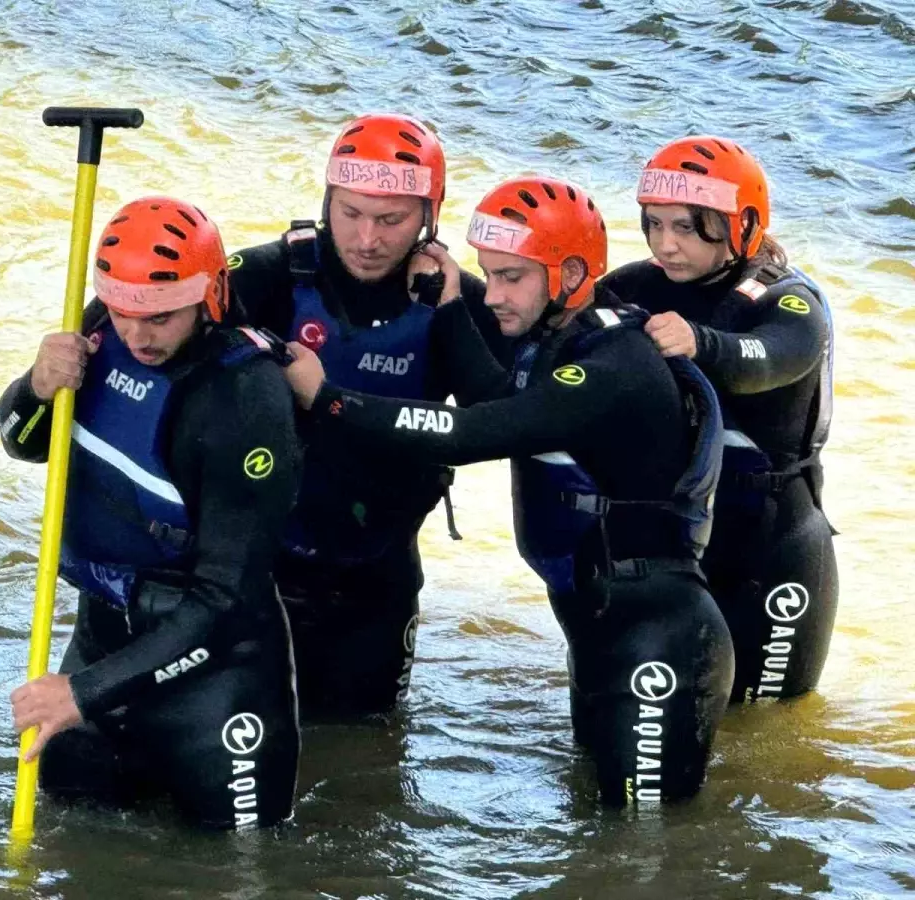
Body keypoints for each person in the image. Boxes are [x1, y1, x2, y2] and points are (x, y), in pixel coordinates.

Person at [282, 177, 735, 805]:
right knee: (601, 840)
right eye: (487, 275)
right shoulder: (561, 341)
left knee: (648, 849)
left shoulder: (613, 364)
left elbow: (469, 432)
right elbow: (495, 399)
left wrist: (328, 399)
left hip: (658, 640)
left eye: (511, 277)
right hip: (601, 628)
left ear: (571, 273)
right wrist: (447, 309)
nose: (491, 296)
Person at [0, 196, 301, 830]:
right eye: (125, 312)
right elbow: (22, 440)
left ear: (210, 294)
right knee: (76, 847)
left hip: (215, 684)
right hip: (105, 639)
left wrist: (79, 693)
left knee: (243, 873)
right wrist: (37, 386)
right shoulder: (102, 329)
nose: (138, 336)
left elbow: (225, 601)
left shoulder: (247, 397)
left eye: (161, 317)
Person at [228, 113, 511, 714]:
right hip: (261, 567)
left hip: (379, 572)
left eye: (391, 220)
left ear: (429, 217)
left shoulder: (458, 299)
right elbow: (142, 312)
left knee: (370, 770)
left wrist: (454, 312)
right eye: (350, 213)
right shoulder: (269, 276)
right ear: (327, 200)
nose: (366, 238)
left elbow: (507, 420)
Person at [602, 136, 837, 703]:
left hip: (772, 541)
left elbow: (771, 361)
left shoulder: (790, 302)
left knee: (766, 736)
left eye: (686, 227)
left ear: (743, 224)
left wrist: (699, 342)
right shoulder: (637, 285)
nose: (667, 245)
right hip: (678, 537)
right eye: (654, 225)